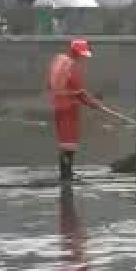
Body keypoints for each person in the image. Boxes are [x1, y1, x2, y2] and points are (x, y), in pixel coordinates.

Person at [46, 39, 101, 181]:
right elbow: (81, 94)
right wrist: (94, 104)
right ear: (76, 53)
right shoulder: (72, 67)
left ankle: (66, 172)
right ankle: (66, 175)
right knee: (69, 142)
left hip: (57, 105)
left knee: (64, 141)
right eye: (82, 54)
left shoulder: (58, 60)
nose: (82, 58)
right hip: (69, 107)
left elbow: (50, 84)